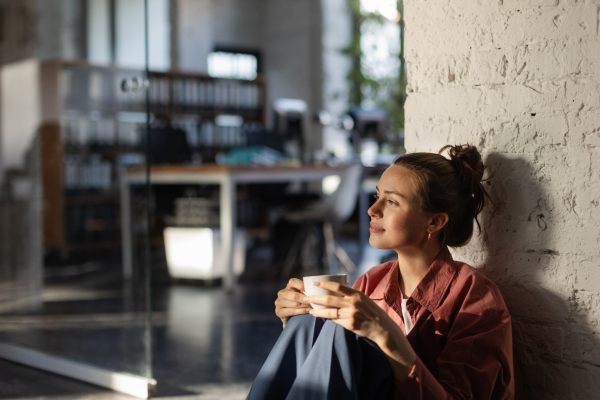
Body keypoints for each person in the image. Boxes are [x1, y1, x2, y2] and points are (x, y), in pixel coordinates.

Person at [247, 144, 517, 400]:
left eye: (392, 202)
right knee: (309, 323)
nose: (372, 210)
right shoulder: (371, 282)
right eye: (378, 196)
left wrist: (385, 335)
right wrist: (294, 322)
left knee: (338, 332)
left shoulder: (476, 298)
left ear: (434, 221)